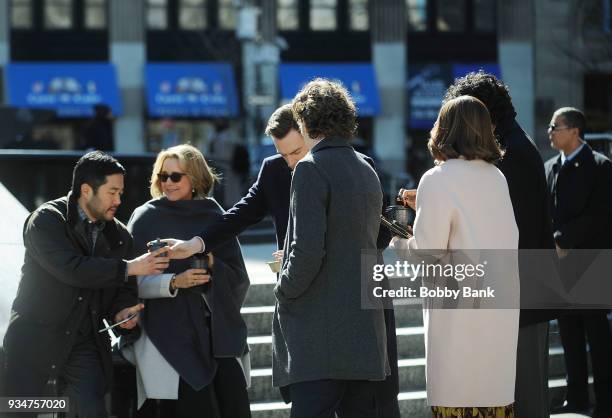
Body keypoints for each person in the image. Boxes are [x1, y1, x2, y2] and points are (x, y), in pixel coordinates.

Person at [167, 104, 401, 417]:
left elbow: (372, 236)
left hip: (351, 303)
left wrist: (291, 272)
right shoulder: (275, 169)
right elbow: (242, 212)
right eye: (283, 154)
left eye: (296, 151)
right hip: (309, 310)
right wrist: (196, 244)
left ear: (311, 135)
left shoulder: (352, 164)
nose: (291, 162)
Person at [2, 151, 169, 418]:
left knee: (90, 411)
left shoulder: (119, 235)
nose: (118, 200)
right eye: (112, 192)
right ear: (86, 189)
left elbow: (123, 289)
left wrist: (122, 311)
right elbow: (71, 269)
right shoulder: (45, 221)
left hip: (85, 342)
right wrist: (130, 266)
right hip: (34, 341)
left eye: (121, 193)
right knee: (20, 412)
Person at [394, 95, 520, 418]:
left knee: (455, 402)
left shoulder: (437, 179)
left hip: (458, 319)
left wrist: (397, 240)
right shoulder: (498, 178)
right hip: (499, 315)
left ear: (446, 129)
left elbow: (425, 253)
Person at [269, 78, 388, 418]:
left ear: (304, 121)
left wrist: (283, 289)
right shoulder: (365, 168)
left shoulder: (310, 169)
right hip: (363, 331)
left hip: (320, 337)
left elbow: (307, 252)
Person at [443, 71, 555, 418]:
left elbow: (507, 231)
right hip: (515, 293)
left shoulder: (512, 154)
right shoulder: (510, 147)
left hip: (519, 297)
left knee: (524, 397)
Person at [125, 144, 252, 418]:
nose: (167, 183)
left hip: (215, 332)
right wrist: (173, 282)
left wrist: (210, 265)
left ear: (194, 178)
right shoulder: (145, 217)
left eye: (176, 176)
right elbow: (128, 280)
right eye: (163, 176)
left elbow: (239, 278)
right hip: (167, 333)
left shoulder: (214, 216)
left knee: (232, 405)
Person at [544, 107, 612, 418]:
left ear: (574, 131)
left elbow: (601, 215)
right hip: (559, 266)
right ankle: (577, 399)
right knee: (569, 335)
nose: (550, 131)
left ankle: (606, 402)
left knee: (598, 337)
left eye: (555, 126)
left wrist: (563, 239)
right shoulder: (549, 168)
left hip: (591, 262)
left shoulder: (600, 166)